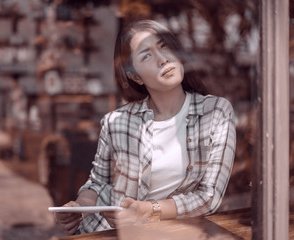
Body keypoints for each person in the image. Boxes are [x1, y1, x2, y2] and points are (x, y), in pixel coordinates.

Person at [56, 19, 236, 235]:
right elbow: (96, 182)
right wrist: (80, 208)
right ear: (135, 76)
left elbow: (209, 198)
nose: (162, 60)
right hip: (106, 233)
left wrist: (148, 210)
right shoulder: (116, 121)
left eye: (164, 47)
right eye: (146, 55)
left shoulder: (216, 112)